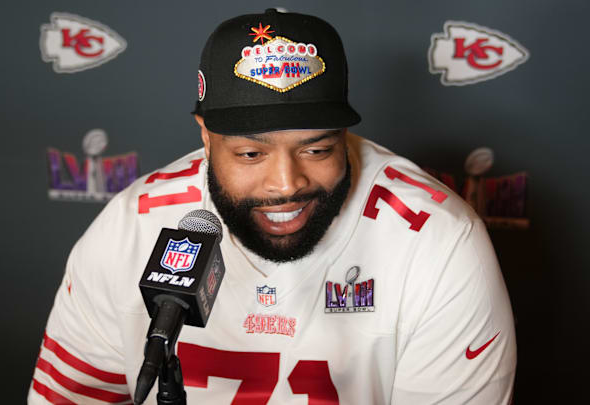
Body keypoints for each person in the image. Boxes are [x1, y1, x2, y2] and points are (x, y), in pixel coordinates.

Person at [28, 8, 516, 404]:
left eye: (317, 150)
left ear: (344, 136)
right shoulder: (129, 227)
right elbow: (73, 397)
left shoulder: (438, 240)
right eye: (250, 154)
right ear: (204, 134)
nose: (286, 184)